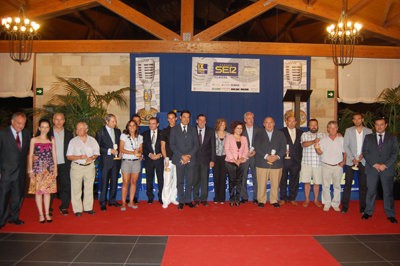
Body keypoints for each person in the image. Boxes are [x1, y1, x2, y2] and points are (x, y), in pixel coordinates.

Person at [362, 117, 399, 223]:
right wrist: (375, 164)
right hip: (372, 169)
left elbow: (394, 153)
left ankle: (390, 214)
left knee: (388, 193)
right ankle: (368, 212)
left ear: (386, 125)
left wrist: (385, 165)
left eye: (381, 124)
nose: (379, 126)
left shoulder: (392, 138)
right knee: (371, 191)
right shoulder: (368, 137)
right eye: (377, 124)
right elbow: (365, 152)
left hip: (387, 169)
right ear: (374, 126)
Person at [0, 112, 31, 228]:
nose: (21, 126)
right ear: (12, 122)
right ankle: (2, 219)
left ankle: (14, 217)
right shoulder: (2, 134)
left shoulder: (27, 133)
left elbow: (29, 150)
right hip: (6, 172)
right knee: (3, 197)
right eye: (19, 123)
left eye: (23, 124)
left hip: (20, 172)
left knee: (18, 197)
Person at [66, 122, 100, 217]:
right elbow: (68, 156)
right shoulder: (73, 141)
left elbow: (97, 153)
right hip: (77, 167)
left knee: (89, 188)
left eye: (81, 129)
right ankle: (77, 209)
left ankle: (88, 208)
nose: (78, 131)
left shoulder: (92, 140)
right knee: (76, 189)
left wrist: (92, 157)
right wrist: (79, 157)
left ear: (86, 130)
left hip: (89, 167)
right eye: (77, 129)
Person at [27, 119, 57, 223]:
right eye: (42, 127)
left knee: (47, 192)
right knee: (39, 192)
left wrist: (55, 169)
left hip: (49, 169)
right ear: (39, 128)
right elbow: (30, 155)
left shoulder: (51, 139)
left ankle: (47, 214)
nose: (44, 129)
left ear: (49, 128)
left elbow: (54, 155)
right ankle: (41, 214)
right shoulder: (34, 140)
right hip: (37, 169)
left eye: (47, 127)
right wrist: (30, 170)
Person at [342, 113, 372, 214]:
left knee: (363, 186)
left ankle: (363, 208)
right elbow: (345, 146)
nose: (357, 121)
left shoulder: (369, 131)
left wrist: (363, 155)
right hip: (351, 162)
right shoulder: (348, 131)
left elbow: (370, 146)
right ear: (353, 121)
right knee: (347, 185)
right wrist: (352, 158)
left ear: (362, 119)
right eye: (355, 119)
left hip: (363, 161)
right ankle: (345, 207)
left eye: (359, 119)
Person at [170, 110, 199, 209]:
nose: (186, 119)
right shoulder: (174, 129)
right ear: (180, 118)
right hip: (179, 159)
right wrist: (182, 156)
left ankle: (188, 200)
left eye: (188, 117)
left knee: (190, 181)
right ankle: (181, 201)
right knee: (180, 182)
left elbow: (196, 145)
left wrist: (189, 156)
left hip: (191, 160)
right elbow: (172, 145)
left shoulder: (193, 129)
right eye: (184, 117)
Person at [254, 117, 286, 208]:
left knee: (275, 183)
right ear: (263, 124)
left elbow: (283, 148)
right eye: (267, 123)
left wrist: (277, 156)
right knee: (261, 183)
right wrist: (266, 156)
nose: (269, 124)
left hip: (277, 163)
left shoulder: (280, 134)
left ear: (274, 123)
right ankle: (261, 200)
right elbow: (257, 147)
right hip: (262, 163)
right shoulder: (258, 134)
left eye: (271, 122)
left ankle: (274, 200)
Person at [315, 121, 346, 212]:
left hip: (338, 166)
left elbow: (345, 152)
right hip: (326, 165)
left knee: (337, 186)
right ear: (327, 129)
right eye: (330, 128)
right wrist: (316, 147)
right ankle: (327, 203)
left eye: (334, 127)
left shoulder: (341, 139)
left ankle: (335, 203)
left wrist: (343, 162)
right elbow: (320, 152)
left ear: (337, 128)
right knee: (326, 186)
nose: (332, 129)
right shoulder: (323, 139)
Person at [96, 114, 122, 211]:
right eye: (112, 121)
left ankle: (112, 200)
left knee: (114, 181)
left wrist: (120, 153)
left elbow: (120, 145)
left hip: (116, 161)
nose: (115, 123)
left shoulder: (118, 131)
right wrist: (109, 150)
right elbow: (97, 148)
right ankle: (103, 202)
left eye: (115, 121)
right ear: (107, 122)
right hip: (106, 161)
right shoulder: (100, 132)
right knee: (104, 182)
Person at [49, 113, 73, 216]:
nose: (59, 122)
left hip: (65, 164)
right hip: (49, 165)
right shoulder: (47, 132)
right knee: (49, 188)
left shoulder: (69, 134)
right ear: (53, 120)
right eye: (57, 119)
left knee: (66, 186)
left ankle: (64, 207)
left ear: (64, 121)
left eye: (61, 119)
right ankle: (48, 208)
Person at [300, 119, 324, 208]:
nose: (314, 127)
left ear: (317, 126)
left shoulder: (323, 135)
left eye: (315, 125)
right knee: (306, 183)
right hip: (307, 163)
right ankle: (307, 200)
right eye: (311, 125)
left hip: (318, 163)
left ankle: (316, 200)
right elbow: (304, 144)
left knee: (317, 183)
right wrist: (314, 141)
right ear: (309, 126)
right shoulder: (305, 134)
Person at [279, 116, 303, 206]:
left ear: (296, 122)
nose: (292, 123)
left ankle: (292, 198)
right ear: (286, 122)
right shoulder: (280, 132)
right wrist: (282, 151)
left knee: (295, 180)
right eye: (290, 121)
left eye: (294, 121)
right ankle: (283, 198)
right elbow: (277, 145)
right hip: (284, 160)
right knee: (283, 180)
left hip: (296, 161)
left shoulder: (301, 133)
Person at [193, 114, 216, 207]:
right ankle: (196, 199)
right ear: (196, 121)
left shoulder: (210, 131)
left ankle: (204, 199)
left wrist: (212, 160)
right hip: (194, 160)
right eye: (200, 120)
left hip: (206, 160)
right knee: (195, 181)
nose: (202, 122)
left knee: (204, 180)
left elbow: (213, 147)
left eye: (204, 120)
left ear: (205, 122)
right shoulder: (192, 130)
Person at [119, 120, 143, 210]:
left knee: (134, 182)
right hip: (126, 161)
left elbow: (141, 150)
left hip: (136, 162)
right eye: (130, 125)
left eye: (134, 125)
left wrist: (139, 153)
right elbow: (121, 149)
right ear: (127, 127)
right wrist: (132, 152)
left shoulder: (140, 137)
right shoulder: (124, 136)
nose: (132, 127)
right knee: (125, 182)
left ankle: (131, 201)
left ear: (136, 127)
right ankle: (124, 203)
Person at [224, 121, 249, 207]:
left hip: (242, 163)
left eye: (241, 128)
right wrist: (234, 160)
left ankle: (237, 199)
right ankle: (231, 199)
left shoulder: (244, 138)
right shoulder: (229, 137)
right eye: (237, 128)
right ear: (234, 129)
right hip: (231, 162)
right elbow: (227, 149)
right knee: (232, 181)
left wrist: (241, 159)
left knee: (239, 182)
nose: (239, 130)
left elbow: (246, 150)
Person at [143, 117, 164, 204]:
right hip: (149, 160)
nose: (151, 125)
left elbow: (166, 147)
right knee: (149, 179)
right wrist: (149, 154)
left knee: (161, 180)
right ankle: (150, 197)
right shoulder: (144, 134)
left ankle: (161, 197)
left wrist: (161, 154)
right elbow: (143, 148)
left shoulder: (163, 134)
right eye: (150, 123)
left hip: (159, 160)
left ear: (157, 124)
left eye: (153, 123)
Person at [160, 111, 179, 208]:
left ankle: (173, 198)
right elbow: (162, 147)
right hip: (168, 160)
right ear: (167, 119)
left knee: (176, 181)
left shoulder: (180, 130)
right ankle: (166, 200)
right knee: (167, 181)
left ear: (176, 118)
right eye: (169, 118)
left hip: (178, 160)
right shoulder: (164, 131)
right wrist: (165, 159)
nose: (171, 120)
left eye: (173, 118)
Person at [242, 112, 261, 204]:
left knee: (256, 177)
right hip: (244, 157)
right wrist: (245, 152)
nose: (251, 120)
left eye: (252, 118)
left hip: (255, 156)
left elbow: (261, 143)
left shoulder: (258, 129)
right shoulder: (240, 129)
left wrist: (255, 150)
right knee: (243, 177)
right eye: (249, 118)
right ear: (245, 120)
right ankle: (244, 197)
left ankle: (256, 197)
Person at [213, 118, 230, 204]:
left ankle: (222, 198)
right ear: (217, 125)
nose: (222, 126)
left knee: (223, 178)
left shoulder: (229, 135)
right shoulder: (213, 134)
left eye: (224, 124)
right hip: (215, 158)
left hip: (225, 158)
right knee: (216, 178)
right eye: (221, 124)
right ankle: (216, 198)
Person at [131, 114, 143, 203]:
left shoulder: (142, 133)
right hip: (128, 159)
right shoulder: (125, 133)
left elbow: (143, 147)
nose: (136, 123)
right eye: (134, 121)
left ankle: (135, 196)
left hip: (138, 159)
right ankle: (128, 197)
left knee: (137, 179)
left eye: (138, 121)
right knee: (128, 179)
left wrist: (141, 154)